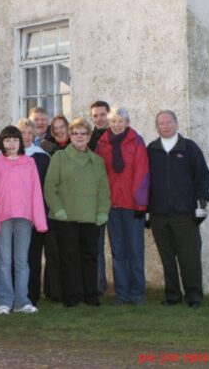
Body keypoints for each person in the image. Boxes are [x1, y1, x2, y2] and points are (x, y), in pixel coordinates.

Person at [147, 110, 209, 308]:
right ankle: (173, 295)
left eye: (168, 122)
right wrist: (146, 210)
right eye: (161, 123)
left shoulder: (189, 147)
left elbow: (202, 177)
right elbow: (144, 182)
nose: (164, 126)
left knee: (189, 257)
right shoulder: (151, 149)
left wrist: (201, 204)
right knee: (167, 258)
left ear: (176, 124)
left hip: (185, 214)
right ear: (156, 127)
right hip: (158, 215)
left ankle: (194, 296)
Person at [44, 118, 110, 307]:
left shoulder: (97, 161)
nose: (79, 136)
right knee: (69, 257)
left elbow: (104, 190)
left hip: (90, 217)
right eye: (75, 133)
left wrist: (102, 211)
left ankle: (91, 294)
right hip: (66, 216)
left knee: (90, 256)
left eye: (83, 133)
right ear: (70, 136)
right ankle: (72, 296)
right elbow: (49, 187)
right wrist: (58, 209)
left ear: (89, 136)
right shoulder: (59, 157)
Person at [0, 126, 47, 315]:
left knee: (22, 261)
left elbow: (36, 192)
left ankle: (22, 301)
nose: (12, 144)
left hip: (24, 218)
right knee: (4, 261)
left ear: (20, 142)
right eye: (7, 140)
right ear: (2, 143)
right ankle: (5, 301)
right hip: (3, 218)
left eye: (15, 140)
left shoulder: (29, 163)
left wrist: (40, 221)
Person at [96, 108, 149, 305]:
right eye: (114, 121)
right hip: (112, 205)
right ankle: (122, 294)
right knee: (118, 252)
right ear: (109, 123)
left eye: (121, 121)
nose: (117, 125)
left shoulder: (136, 141)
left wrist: (140, 203)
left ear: (127, 122)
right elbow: (99, 174)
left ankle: (137, 293)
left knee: (135, 250)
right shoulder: (102, 143)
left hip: (132, 205)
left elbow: (142, 172)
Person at [17, 118, 58, 305]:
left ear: (34, 136)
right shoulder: (6, 156)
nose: (26, 136)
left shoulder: (42, 157)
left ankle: (31, 295)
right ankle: (17, 293)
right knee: (16, 257)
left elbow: (45, 188)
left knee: (32, 256)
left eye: (29, 133)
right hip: (14, 215)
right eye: (22, 133)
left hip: (35, 215)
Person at [89, 100, 111, 296]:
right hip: (95, 199)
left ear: (109, 115)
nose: (99, 118)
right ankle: (98, 285)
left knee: (120, 247)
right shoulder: (88, 139)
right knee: (96, 245)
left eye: (102, 114)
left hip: (116, 197)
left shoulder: (115, 135)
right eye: (95, 115)